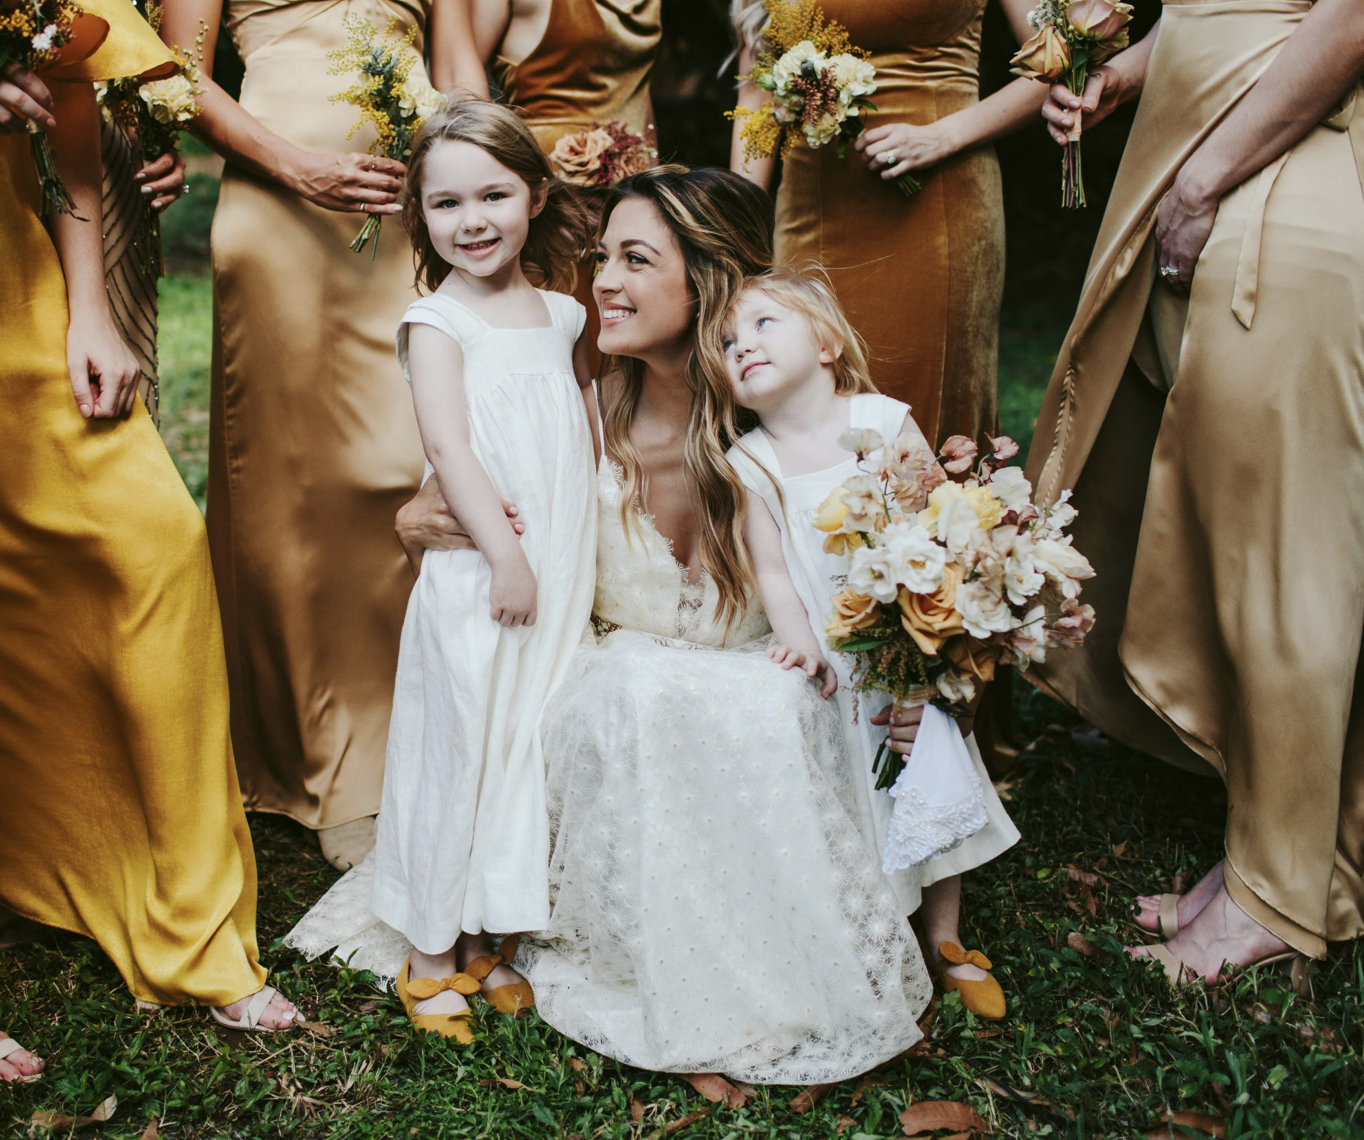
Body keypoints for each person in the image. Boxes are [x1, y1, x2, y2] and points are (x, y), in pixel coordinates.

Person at [292, 166, 933, 1082]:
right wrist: (419, 524)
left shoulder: (794, 421)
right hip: (606, 678)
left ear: (707, 276)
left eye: (636, 259)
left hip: (764, 676)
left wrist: (923, 679)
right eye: (602, 256)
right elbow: (459, 521)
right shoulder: (574, 412)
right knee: (638, 696)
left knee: (763, 712)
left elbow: (915, 581)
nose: (603, 281)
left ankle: (758, 972)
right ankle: (644, 966)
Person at [1026, 0, 1364, 985]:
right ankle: (1289, 857)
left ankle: (1279, 896)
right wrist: (1129, 75)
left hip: (1279, 188)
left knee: (1280, 559)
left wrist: (1204, 176)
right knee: (1243, 538)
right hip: (1246, 174)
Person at [0, 0, 298, 1053]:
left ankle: (196, 929)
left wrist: (89, 305)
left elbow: (74, 97)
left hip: (16, 293)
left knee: (154, 549)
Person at [158, 0, 488, 870]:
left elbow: (455, 57)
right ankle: (323, 762)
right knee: (301, 486)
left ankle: (415, 742)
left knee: (407, 464)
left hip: (416, 205)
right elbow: (176, 71)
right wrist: (300, 169)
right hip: (282, 204)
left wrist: (478, 184)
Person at [714, 266, 1019, 1019]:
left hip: (908, 641)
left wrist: (936, 640)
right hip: (833, 651)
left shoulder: (881, 423)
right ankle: (878, 927)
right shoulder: (750, 461)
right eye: (726, 342)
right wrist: (798, 642)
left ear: (824, 344)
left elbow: (938, 525)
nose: (742, 346)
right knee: (854, 794)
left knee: (931, 768)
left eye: (762, 326)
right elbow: (774, 570)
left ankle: (946, 937)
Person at [371, 98, 596, 1042]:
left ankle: (486, 937)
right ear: (419, 215)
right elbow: (452, 451)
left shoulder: (563, 313)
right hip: (486, 574)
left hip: (560, 566)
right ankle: (428, 959)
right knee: (461, 737)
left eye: (494, 195)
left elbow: (584, 431)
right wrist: (504, 557)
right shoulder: (437, 321)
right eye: (445, 203)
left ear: (536, 196)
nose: (472, 221)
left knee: (524, 744)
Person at [729, 0, 1047, 448]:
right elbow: (754, 94)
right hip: (812, 208)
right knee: (807, 394)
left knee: (924, 406)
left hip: (934, 206)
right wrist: (738, 229)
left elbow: (1056, 65)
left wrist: (940, 136)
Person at [461, 0, 663, 367]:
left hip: (626, 203)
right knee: (554, 352)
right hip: (550, 204)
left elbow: (636, 92)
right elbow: (461, 88)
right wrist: (511, 186)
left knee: (623, 360)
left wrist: (652, 191)